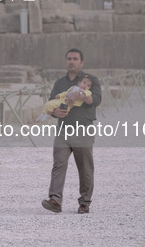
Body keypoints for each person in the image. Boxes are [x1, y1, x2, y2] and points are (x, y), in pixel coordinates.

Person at [41, 48, 101, 214]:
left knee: (85, 168)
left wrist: (82, 95)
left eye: (75, 59)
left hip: (83, 130)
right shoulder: (60, 83)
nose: (71, 61)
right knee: (58, 164)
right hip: (63, 130)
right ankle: (55, 201)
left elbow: (96, 99)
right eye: (69, 59)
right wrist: (55, 113)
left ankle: (84, 203)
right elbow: (52, 103)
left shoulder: (91, 80)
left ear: (81, 63)